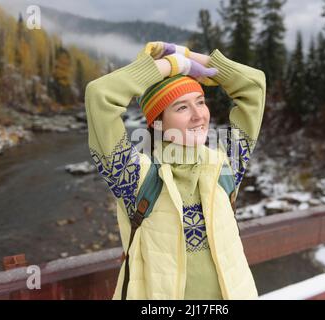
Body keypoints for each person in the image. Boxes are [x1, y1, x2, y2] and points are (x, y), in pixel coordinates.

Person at [84, 41, 266, 300]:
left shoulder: (223, 167)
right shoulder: (135, 177)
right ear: (157, 123)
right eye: (181, 107)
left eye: (200, 102)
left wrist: (192, 58)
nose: (198, 115)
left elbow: (254, 86)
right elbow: (99, 94)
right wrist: (169, 66)